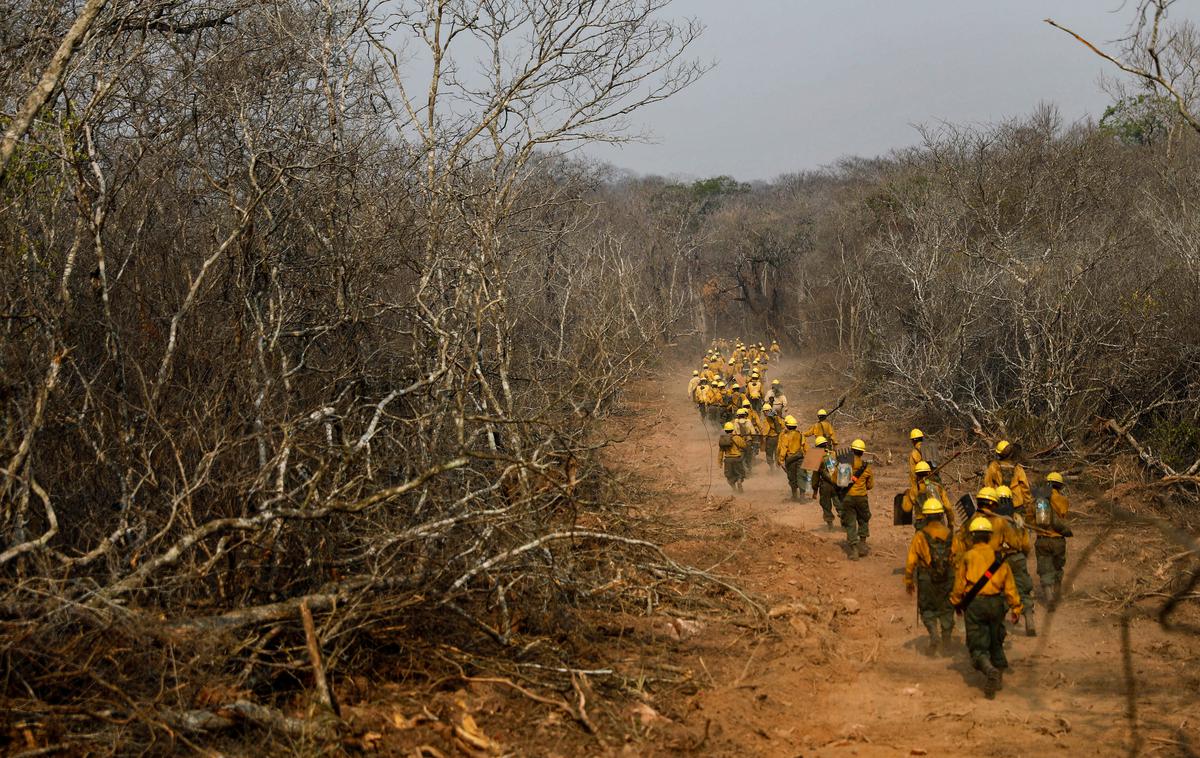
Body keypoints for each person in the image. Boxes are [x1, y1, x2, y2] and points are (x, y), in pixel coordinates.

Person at [951, 515, 1023, 699]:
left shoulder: (968, 557)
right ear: (990, 536)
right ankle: (997, 675)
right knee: (996, 640)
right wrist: (1016, 608)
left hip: (975, 604)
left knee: (977, 645)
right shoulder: (998, 559)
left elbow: (959, 586)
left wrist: (956, 602)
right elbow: (1010, 586)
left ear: (973, 536)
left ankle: (990, 670)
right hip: (997, 604)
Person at [905, 497, 958, 655]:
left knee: (927, 609)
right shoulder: (950, 535)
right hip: (947, 577)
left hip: (926, 577)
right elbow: (958, 558)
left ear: (926, 516)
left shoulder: (920, 536)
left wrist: (909, 580)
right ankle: (947, 641)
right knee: (947, 608)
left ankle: (934, 634)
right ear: (941, 516)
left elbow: (911, 561)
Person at [983, 485, 1037, 637]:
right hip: (1017, 557)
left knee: (999, 592)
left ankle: (998, 625)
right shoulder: (1017, 518)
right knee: (1024, 590)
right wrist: (1023, 554)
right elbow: (1026, 542)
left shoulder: (993, 520)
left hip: (1000, 560)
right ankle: (1029, 619)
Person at [1034, 472, 1073, 607]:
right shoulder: (1064, 501)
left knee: (1045, 569)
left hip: (1042, 539)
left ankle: (1049, 597)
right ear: (1060, 487)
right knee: (1057, 567)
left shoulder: (1040, 500)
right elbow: (1062, 516)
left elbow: (1035, 518)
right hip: (1058, 540)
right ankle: (1057, 595)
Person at [840, 439, 873, 559]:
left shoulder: (845, 464)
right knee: (863, 519)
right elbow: (870, 486)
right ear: (862, 453)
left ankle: (854, 550)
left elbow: (840, 482)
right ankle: (863, 545)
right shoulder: (866, 467)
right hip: (862, 497)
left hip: (848, 498)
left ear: (852, 450)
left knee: (850, 523)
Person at [984, 440, 1033, 518]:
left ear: (998, 454)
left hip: (999, 502)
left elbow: (988, 484)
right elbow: (1025, 487)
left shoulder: (993, 466)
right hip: (1016, 504)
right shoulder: (1017, 468)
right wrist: (1028, 504)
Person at [901, 462, 952, 531]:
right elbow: (948, 507)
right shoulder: (938, 487)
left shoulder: (914, 490)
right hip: (939, 523)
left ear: (916, 475)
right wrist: (950, 524)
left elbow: (906, 508)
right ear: (929, 473)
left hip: (922, 525)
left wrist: (906, 496)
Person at [811, 436, 838, 529]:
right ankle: (846, 522)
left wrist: (815, 490)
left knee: (826, 504)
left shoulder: (817, 457)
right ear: (826, 444)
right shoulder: (833, 454)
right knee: (839, 503)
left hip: (825, 485)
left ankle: (830, 524)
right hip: (836, 484)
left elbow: (815, 476)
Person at [777, 415, 807, 501]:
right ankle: (802, 497)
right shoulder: (801, 435)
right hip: (801, 459)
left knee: (792, 478)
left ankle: (794, 496)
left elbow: (783, 449)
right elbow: (805, 447)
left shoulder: (786, 436)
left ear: (787, 426)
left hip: (790, 460)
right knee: (801, 477)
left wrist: (781, 460)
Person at [717, 422, 747, 493]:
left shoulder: (723, 440)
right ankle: (739, 482)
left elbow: (720, 452)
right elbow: (744, 446)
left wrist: (720, 462)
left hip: (727, 460)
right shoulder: (737, 437)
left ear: (725, 430)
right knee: (740, 474)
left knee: (729, 476)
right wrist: (742, 438)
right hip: (737, 458)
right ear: (733, 429)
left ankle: (734, 489)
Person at [732, 406, 758, 476]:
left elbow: (733, 433)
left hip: (739, 443)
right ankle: (749, 471)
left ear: (737, 415)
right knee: (748, 457)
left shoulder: (735, 422)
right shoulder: (748, 421)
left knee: (740, 458)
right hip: (748, 442)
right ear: (745, 415)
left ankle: (741, 473)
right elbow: (753, 433)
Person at [760, 405, 781, 469]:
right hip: (778, 438)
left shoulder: (767, 419)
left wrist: (762, 436)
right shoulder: (777, 417)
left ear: (765, 411)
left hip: (770, 439)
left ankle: (772, 468)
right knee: (777, 453)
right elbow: (782, 426)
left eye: (764, 411)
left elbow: (765, 431)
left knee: (769, 454)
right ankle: (778, 467)